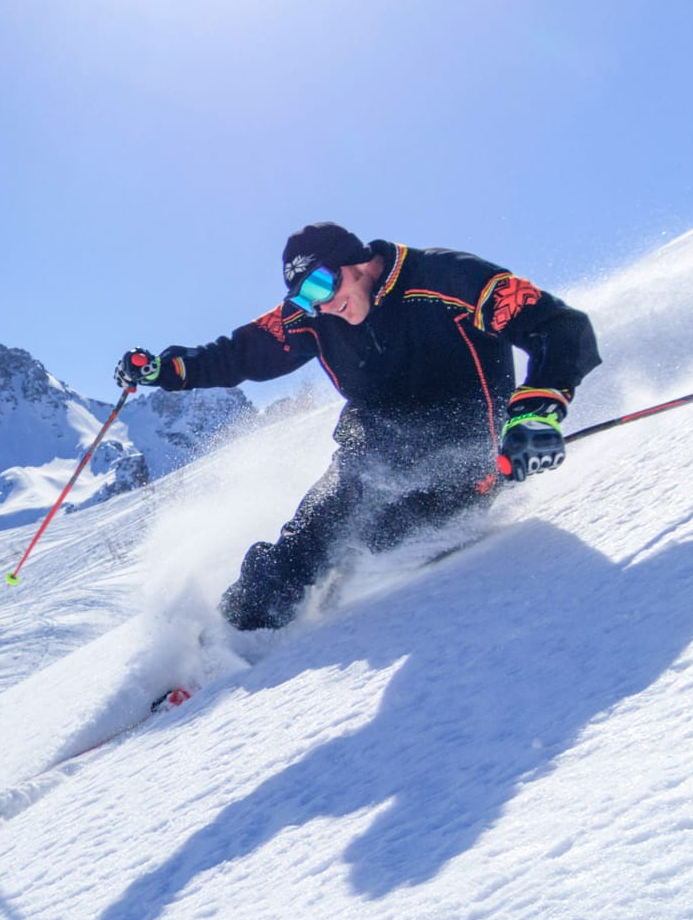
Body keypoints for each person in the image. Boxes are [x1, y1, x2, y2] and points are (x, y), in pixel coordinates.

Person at [115, 222, 600, 632]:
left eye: (323, 286)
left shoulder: (446, 278)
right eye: (304, 297)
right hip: (373, 450)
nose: (321, 305)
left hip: (468, 453)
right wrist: (166, 369)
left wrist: (536, 413)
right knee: (319, 525)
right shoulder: (311, 316)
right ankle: (238, 632)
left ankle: (343, 572)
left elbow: (560, 328)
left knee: (386, 535)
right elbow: (239, 353)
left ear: (358, 262)